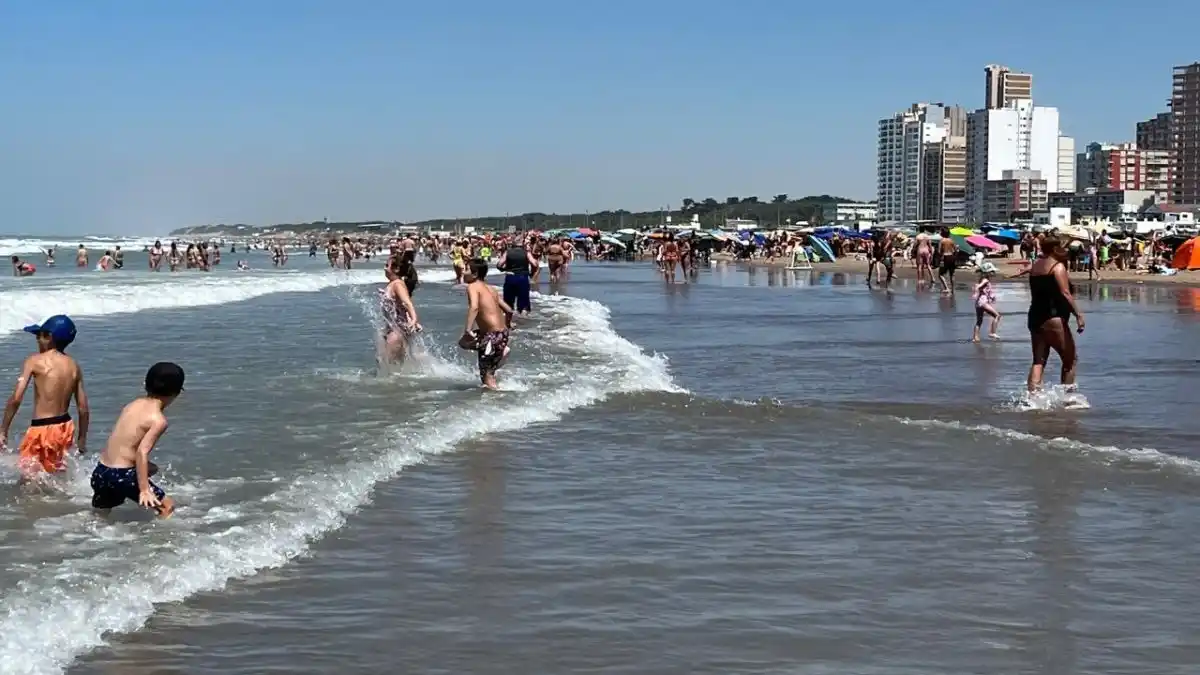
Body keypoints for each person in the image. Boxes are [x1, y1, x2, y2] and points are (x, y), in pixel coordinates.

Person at [0, 315, 90, 478]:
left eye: (38, 336)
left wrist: (3, 430)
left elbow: (16, 398)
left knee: (28, 478)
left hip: (42, 429)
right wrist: (82, 439)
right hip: (65, 427)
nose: (36, 340)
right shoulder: (73, 366)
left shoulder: (34, 361)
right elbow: (83, 408)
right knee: (53, 472)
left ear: (49, 337)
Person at [91, 362, 185, 518]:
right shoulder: (158, 420)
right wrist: (144, 489)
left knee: (101, 514)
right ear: (177, 392)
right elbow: (141, 452)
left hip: (101, 472)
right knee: (167, 507)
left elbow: (124, 445)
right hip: (121, 475)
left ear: (144, 384)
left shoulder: (132, 405)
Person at [1025, 235, 1085, 392]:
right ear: (1054, 249)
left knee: (1038, 360)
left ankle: (1032, 399)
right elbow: (1065, 293)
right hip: (1053, 318)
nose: (1064, 250)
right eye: (1061, 247)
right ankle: (1068, 398)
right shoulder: (1057, 267)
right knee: (1070, 360)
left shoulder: (1036, 265)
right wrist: (1078, 315)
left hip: (1035, 317)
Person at [462, 258, 514, 390]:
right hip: (500, 333)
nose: (463, 271)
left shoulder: (472, 286)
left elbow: (474, 307)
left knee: (486, 375)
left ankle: (495, 397)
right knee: (463, 343)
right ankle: (500, 353)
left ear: (475, 274)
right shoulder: (491, 289)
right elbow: (508, 310)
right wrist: (507, 325)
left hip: (492, 336)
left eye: (466, 269)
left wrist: (468, 329)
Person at [379, 251, 423, 363]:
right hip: (393, 329)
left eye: (386, 265)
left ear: (396, 269)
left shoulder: (397, 284)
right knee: (392, 365)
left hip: (397, 331)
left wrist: (414, 319)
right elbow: (400, 306)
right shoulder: (394, 284)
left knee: (386, 363)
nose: (384, 268)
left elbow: (407, 303)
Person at [497, 242, 533, 315]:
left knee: (508, 302)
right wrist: (531, 273)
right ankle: (524, 321)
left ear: (513, 246)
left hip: (510, 277)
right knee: (524, 302)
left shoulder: (507, 252)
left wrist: (504, 269)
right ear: (522, 246)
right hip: (523, 277)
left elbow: (499, 265)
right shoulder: (526, 253)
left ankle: (509, 321)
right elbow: (535, 263)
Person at [971, 262, 1001, 342]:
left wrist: (991, 297)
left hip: (978, 303)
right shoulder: (985, 280)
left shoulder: (983, 279)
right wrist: (976, 291)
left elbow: (983, 289)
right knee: (997, 315)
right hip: (983, 302)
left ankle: (975, 337)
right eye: (992, 271)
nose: (993, 273)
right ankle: (992, 332)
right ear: (987, 272)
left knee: (979, 321)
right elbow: (978, 286)